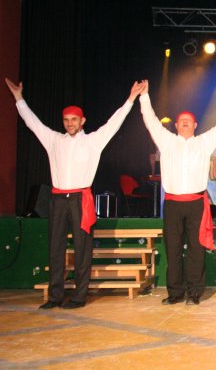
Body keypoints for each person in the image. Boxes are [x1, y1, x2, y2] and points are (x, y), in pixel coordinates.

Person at [5, 77, 145, 309]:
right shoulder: (54, 140)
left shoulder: (93, 141)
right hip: (58, 199)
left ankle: (80, 296)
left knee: (82, 248)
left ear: (82, 121)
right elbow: (32, 122)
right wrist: (19, 98)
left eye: (74, 120)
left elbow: (114, 122)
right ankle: (55, 296)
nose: (69, 124)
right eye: (66, 120)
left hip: (81, 199)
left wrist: (131, 98)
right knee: (55, 248)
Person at [139, 80, 216, 305]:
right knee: (173, 249)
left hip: (197, 203)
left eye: (188, 120)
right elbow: (150, 120)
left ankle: (195, 292)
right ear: (176, 125)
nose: (185, 122)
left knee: (196, 251)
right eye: (181, 120)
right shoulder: (166, 141)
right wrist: (144, 96)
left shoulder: (204, 142)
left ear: (195, 124)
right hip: (172, 204)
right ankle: (175, 293)